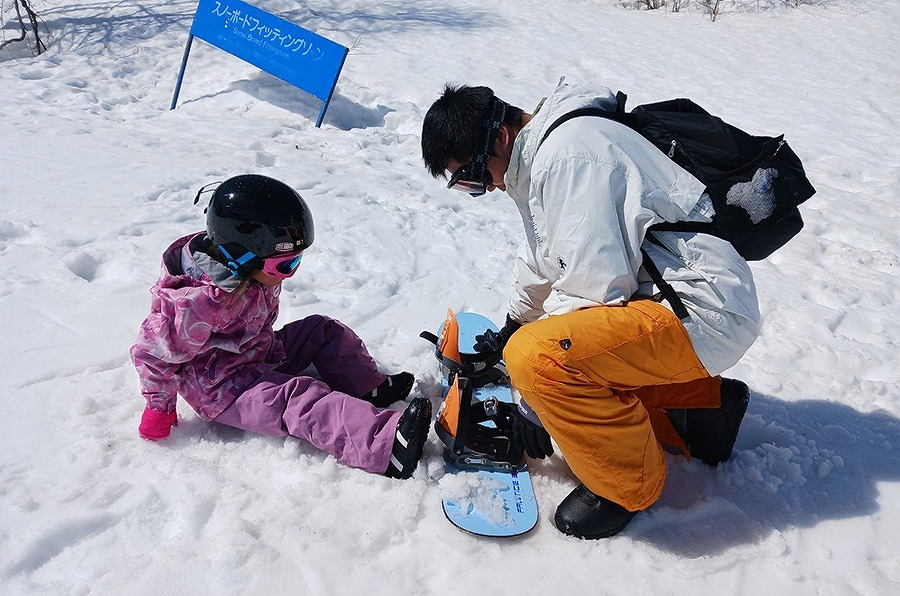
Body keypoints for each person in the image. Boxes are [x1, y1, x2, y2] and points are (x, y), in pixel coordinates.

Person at [421, 79, 761, 538]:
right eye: (468, 186)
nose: (486, 188)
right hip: (686, 301)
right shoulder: (550, 151)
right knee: (535, 347)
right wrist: (511, 324)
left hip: (699, 309)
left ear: (498, 138)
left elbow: (592, 291)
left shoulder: (569, 158)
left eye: (474, 176)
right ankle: (702, 411)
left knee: (539, 360)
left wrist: (533, 406)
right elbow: (546, 258)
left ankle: (627, 487)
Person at [130, 174, 431, 479]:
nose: (290, 273)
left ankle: (368, 386)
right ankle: (385, 446)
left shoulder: (245, 264)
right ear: (242, 259)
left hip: (258, 350)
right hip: (223, 389)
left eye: (296, 260)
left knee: (321, 330)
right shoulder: (196, 303)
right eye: (285, 264)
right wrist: (159, 407)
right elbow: (152, 354)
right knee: (300, 397)